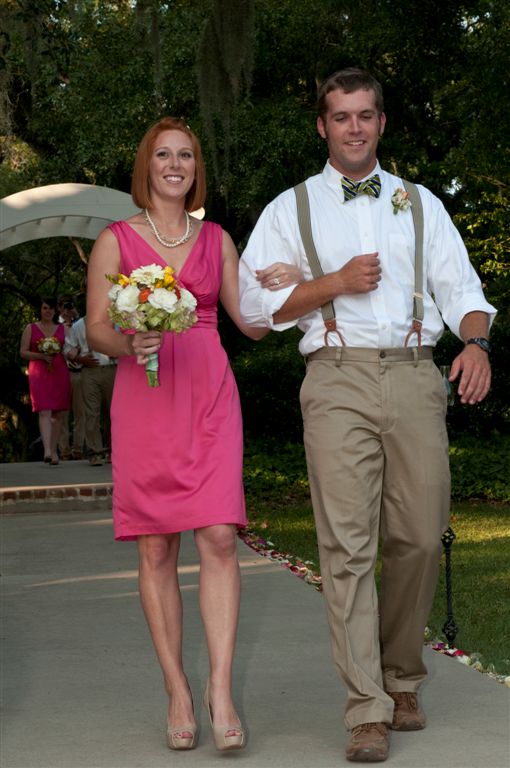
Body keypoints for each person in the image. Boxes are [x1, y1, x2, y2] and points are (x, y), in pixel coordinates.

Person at [239, 68, 496, 763]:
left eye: (365, 115)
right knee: (347, 548)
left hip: (415, 375)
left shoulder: (422, 204)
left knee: (419, 537)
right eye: (341, 116)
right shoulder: (288, 209)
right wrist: (332, 284)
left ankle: (401, 674)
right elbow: (254, 312)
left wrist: (476, 344)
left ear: (381, 123)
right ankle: (367, 708)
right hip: (335, 378)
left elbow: (464, 291)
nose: (354, 127)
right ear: (322, 126)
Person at [86, 116, 300, 752]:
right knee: (155, 547)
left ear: (196, 168)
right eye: (164, 155)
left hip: (208, 394)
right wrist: (129, 343)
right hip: (145, 398)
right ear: (146, 166)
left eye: (185, 155)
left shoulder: (217, 240)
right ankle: (177, 688)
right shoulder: (115, 241)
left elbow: (251, 324)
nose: (175, 165)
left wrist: (292, 287)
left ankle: (221, 691)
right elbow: (96, 327)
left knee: (219, 537)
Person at [20, 297, 71, 465]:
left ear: (56, 310)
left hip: (59, 372)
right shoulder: (30, 328)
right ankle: (47, 450)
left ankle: (54, 450)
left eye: (51, 308)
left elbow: (70, 348)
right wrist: (40, 356)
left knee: (57, 413)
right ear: (40, 310)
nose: (48, 311)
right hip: (39, 373)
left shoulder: (63, 328)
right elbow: (23, 352)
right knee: (44, 411)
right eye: (45, 308)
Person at [66, 314, 116, 466]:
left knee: (112, 412)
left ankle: (112, 451)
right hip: (89, 371)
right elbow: (68, 348)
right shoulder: (79, 325)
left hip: (111, 369)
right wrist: (79, 359)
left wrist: (117, 351)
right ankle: (95, 453)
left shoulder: (115, 321)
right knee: (91, 412)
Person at [57, 296, 86, 460]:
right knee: (62, 414)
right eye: (64, 306)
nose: (67, 309)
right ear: (59, 308)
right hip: (62, 373)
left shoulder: (81, 324)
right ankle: (64, 451)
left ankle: (78, 449)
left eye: (70, 306)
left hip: (80, 372)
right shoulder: (55, 327)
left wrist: (75, 317)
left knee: (81, 413)